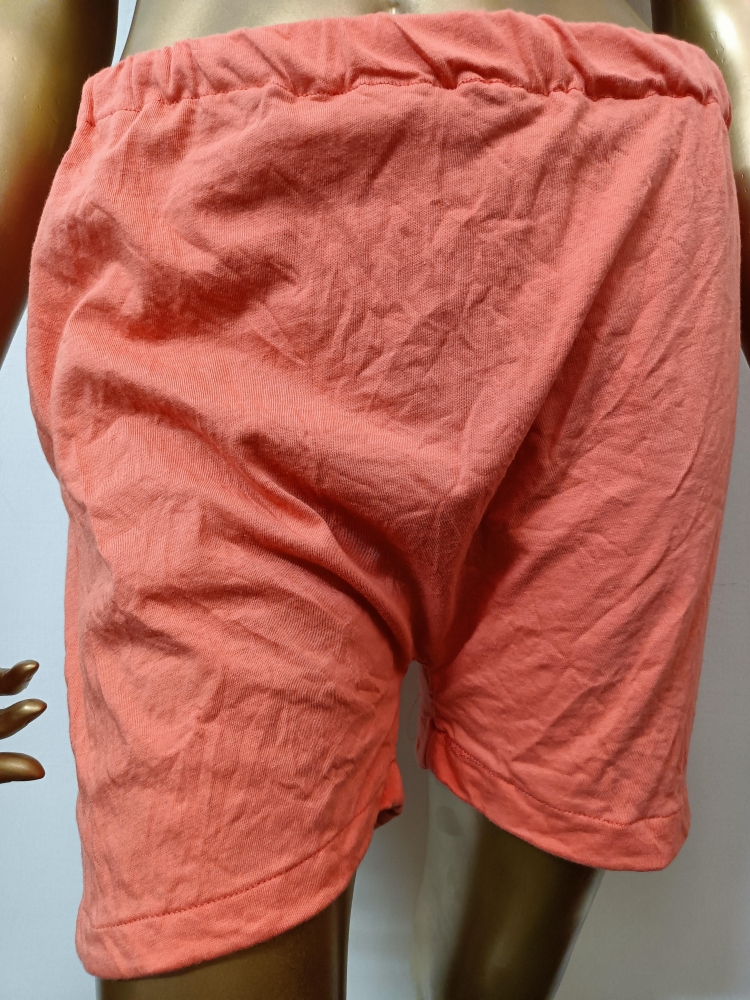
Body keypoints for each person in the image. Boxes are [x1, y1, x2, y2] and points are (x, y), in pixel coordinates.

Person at [1, 0, 747, 997]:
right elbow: (24, 34)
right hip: (215, 244)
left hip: (615, 239)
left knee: (494, 974)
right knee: (197, 906)